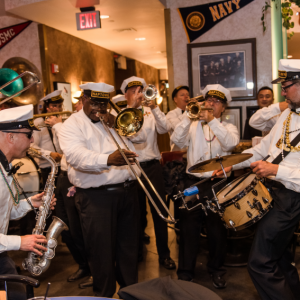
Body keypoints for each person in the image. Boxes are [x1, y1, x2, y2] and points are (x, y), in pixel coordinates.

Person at [213, 59, 300, 300]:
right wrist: (230, 166)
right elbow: (260, 151)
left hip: (291, 199)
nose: (282, 91)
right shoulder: (286, 116)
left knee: (260, 263)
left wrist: (275, 171)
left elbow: (274, 164)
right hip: (270, 193)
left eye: (288, 85)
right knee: (280, 261)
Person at [58, 82, 146, 297]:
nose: (100, 108)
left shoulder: (112, 120)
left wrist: (116, 125)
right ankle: (104, 296)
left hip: (127, 191)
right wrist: (108, 159)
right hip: (97, 198)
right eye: (95, 103)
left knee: (128, 251)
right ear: (84, 100)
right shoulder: (72, 125)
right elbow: (77, 157)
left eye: (104, 103)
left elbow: (136, 143)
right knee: (101, 254)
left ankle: (130, 293)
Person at [171, 84, 239, 288]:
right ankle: (185, 272)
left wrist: (212, 121)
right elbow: (176, 141)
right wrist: (187, 117)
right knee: (188, 228)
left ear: (223, 108)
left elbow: (230, 144)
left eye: (216, 102)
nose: (211, 104)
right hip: (193, 183)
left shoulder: (228, 127)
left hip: (218, 183)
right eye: (208, 100)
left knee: (217, 230)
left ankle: (216, 269)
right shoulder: (191, 124)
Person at [0, 105, 56, 300]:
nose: (32, 140)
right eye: (28, 134)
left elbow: (8, 211)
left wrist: (31, 203)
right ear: (10, 137)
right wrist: (20, 242)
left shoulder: (5, 166)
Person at [121, 76, 176, 269]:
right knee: (134, 213)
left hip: (152, 165)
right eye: (134, 90)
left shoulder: (150, 111)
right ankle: (136, 253)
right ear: (125, 94)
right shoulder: (120, 114)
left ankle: (164, 255)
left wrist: (154, 107)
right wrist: (132, 109)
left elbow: (164, 128)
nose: (138, 94)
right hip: (131, 167)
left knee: (160, 210)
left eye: (141, 90)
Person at [44, 92, 91, 287]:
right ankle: (83, 264)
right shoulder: (68, 124)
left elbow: (69, 151)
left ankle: (94, 268)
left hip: (75, 179)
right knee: (65, 226)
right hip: (62, 178)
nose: (76, 106)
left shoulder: (76, 125)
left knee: (82, 228)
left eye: (79, 102)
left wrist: (57, 125)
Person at [31, 90, 63, 186]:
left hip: (62, 167)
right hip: (47, 168)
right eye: (54, 106)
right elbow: (31, 147)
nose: (57, 109)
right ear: (47, 107)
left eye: (59, 106)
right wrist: (50, 154)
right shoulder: (38, 122)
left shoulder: (62, 122)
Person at [166, 86, 190, 151]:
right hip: (177, 153)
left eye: (187, 95)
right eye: (182, 95)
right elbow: (177, 127)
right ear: (175, 99)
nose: (186, 96)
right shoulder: (170, 114)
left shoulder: (195, 113)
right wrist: (188, 112)